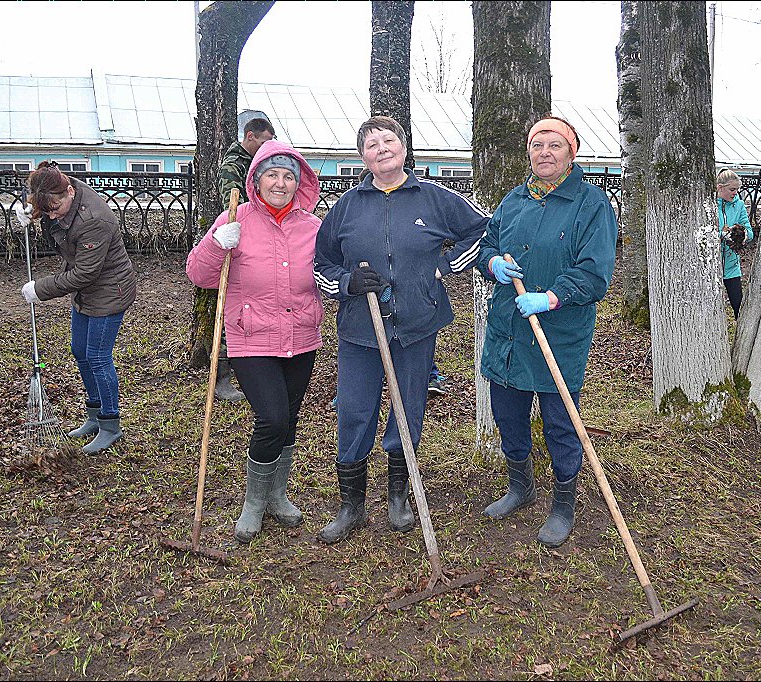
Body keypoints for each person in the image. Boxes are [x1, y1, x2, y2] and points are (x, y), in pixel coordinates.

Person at [314, 115, 489, 544]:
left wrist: (446, 267)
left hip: (416, 324)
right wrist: (347, 283)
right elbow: (321, 265)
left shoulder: (434, 198)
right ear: (363, 158)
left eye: (388, 140)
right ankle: (351, 505)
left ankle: (398, 495)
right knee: (354, 410)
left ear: (404, 146)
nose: (382, 148)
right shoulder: (346, 207)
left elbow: (483, 231)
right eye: (371, 145)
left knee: (408, 410)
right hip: (360, 329)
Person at [476, 115, 617, 548]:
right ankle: (521, 487)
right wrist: (493, 264)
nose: (544, 153)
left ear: (571, 153)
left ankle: (563, 505)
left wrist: (552, 297)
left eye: (555, 145)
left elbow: (595, 274)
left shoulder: (591, 205)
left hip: (558, 331)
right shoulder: (514, 200)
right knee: (508, 415)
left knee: (560, 422)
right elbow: (488, 245)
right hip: (510, 330)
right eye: (537, 145)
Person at [186, 140, 322, 543]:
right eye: (272, 174)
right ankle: (254, 502)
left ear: (298, 184)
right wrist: (216, 244)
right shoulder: (235, 219)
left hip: (302, 336)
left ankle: (277, 496)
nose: (280, 183)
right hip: (251, 339)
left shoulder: (313, 227)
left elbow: (332, 273)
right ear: (256, 179)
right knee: (273, 418)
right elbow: (200, 275)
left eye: (288, 176)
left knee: (290, 419)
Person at [14, 161, 137, 454]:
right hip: (86, 291)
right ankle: (94, 416)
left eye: (55, 209)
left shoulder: (95, 219)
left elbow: (84, 273)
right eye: (49, 210)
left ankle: (110, 425)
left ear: (69, 191)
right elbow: (50, 209)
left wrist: (40, 290)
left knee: (97, 356)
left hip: (109, 290)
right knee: (79, 350)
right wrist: (33, 214)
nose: (53, 215)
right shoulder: (60, 189)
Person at [210, 115, 278, 402]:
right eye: (263, 142)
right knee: (231, 312)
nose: (266, 148)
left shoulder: (256, 164)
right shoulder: (233, 166)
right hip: (235, 242)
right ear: (250, 136)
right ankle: (222, 377)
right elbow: (234, 207)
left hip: (259, 243)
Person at [716, 169, 754, 319]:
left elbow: (749, 231)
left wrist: (742, 234)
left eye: (737, 189)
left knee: (739, 306)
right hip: (713, 265)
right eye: (732, 189)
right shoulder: (709, 204)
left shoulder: (739, 205)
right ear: (720, 187)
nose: (735, 193)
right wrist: (722, 234)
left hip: (732, 265)